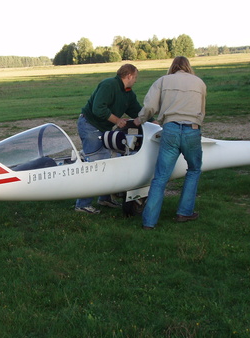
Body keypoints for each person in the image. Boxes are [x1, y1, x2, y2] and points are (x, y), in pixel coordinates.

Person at [133, 56, 206, 229]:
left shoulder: (163, 81)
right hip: (192, 129)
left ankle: (149, 222)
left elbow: (150, 105)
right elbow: (202, 111)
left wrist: (140, 120)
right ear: (188, 66)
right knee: (194, 169)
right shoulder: (199, 83)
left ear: (172, 66)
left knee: (160, 177)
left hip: (170, 129)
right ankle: (184, 212)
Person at [75, 63, 141, 214]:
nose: (136, 81)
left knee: (109, 162)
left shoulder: (128, 92)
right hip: (90, 126)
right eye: (135, 77)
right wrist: (118, 121)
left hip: (103, 129)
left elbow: (136, 110)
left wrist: (153, 121)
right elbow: (98, 109)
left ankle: (105, 198)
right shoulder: (109, 85)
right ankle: (82, 205)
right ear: (129, 76)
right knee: (95, 166)